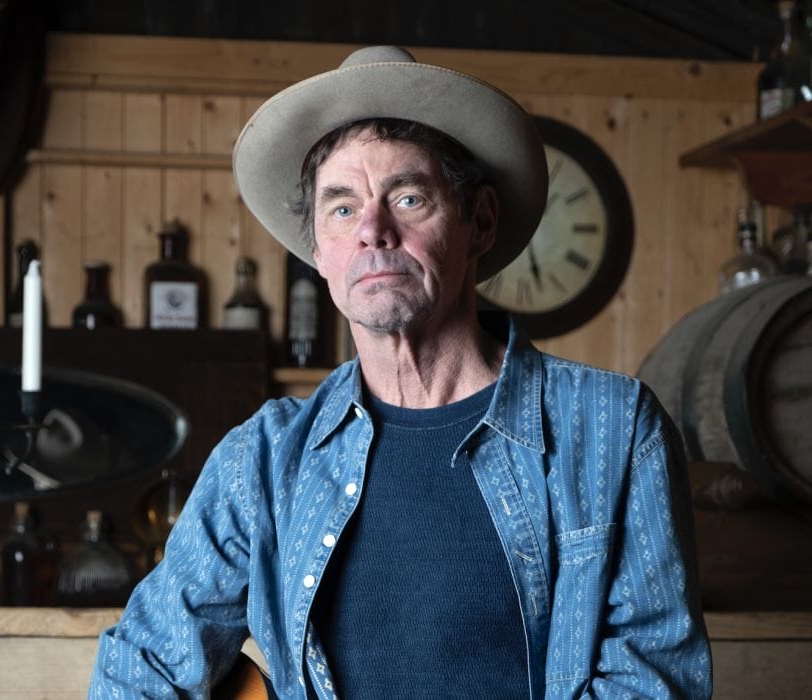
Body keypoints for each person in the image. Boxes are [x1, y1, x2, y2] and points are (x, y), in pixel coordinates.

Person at [89, 46, 712, 699]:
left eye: (409, 197)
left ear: (482, 223)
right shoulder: (265, 461)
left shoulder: (612, 431)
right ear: (320, 254)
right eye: (342, 208)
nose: (372, 231)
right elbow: (139, 667)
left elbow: (653, 682)